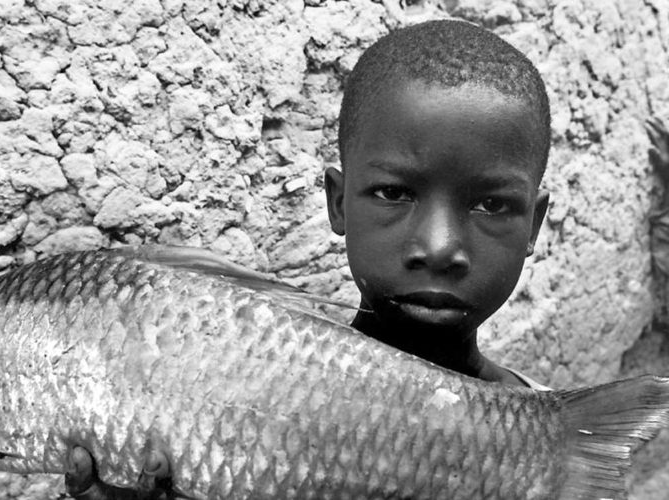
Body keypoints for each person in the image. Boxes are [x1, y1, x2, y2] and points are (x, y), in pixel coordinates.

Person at [65, 18, 552, 499]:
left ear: (532, 224)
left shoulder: (557, 447)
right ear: (339, 203)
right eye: (394, 193)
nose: (440, 246)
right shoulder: (219, 420)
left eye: (491, 204)